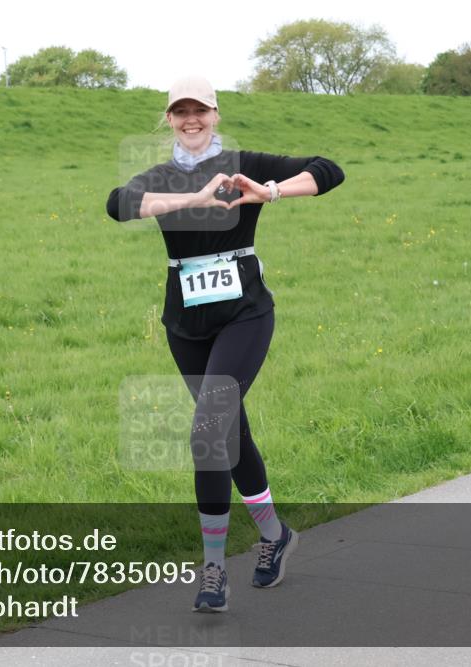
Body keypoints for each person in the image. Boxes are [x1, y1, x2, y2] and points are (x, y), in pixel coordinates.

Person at [105, 75, 345, 613]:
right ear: (168, 118)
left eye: (200, 111)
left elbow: (330, 170)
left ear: (216, 113)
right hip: (185, 324)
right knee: (229, 430)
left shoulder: (245, 162)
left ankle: (213, 568)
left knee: (209, 428)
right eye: (180, 112)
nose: (191, 120)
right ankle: (275, 534)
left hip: (245, 313)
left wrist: (272, 190)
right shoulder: (159, 176)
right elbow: (118, 204)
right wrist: (192, 197)